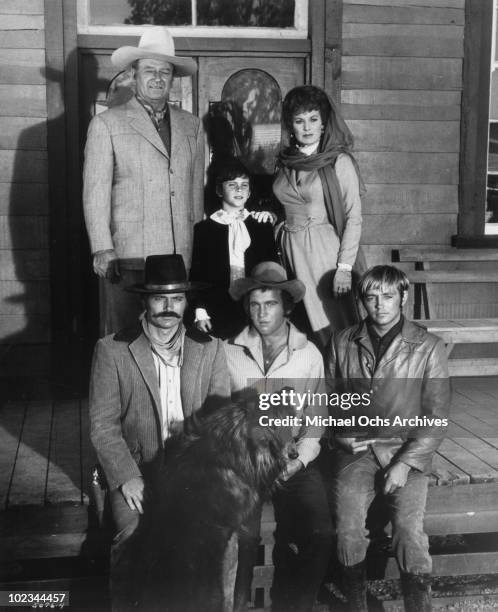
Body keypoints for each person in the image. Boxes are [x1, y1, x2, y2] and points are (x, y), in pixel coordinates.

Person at [88, 254, 230, 611]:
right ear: (144, 300)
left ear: (187, 301)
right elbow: (103, 426)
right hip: (139, 470)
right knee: (134, 534)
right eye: (159, 298)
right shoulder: (112, 350)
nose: (169, 307)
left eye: (177, 298)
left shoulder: (210, 349)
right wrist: (125, 477)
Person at [326, 265, 450, 612]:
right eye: (371, 297)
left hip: (407, 450)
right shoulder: (343, 342)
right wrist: (339, 438)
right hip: (357, 450)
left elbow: (437, 416)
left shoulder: (427, 346)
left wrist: (405, 464)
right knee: (349, 529)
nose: (380, 305)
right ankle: (356, 604)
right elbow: (330, 402)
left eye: (388, 296)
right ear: (362, 301)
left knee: (409, 532)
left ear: (403, 297)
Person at [225, 261, 333, 612]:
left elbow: (317, 418)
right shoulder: (227, 351)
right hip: (243, 464)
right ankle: (236, 606)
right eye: (255, 304)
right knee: (242, 535)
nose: (262, 312)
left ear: (287, 306)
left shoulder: (309, 354)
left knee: (318, 532)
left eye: (270, 303)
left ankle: (291, 605)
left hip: (292, 460)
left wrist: (299, 459)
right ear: (246, 307)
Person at [83, 27, 204, 335]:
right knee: (124, 338)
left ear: (173, 78)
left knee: (171, 339)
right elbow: (95, 192)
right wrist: (101, 247)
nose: (157, 78)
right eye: (149, 70)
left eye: (165, 72)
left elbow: (194, 195)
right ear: (133, 73)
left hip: (177, 257)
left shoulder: (191, 126)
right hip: (128, 255)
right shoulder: (106, 124)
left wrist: (196, 249)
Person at [273, 85, 366, 350]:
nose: (307, 127)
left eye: (313, 119)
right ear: (290, 125)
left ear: (323, 123)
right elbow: (284, 203)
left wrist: (344, 269)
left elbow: (353, 217)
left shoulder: (339, 162)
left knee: (334, 328)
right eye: (299, 120)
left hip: (324, 254)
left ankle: (345, 389)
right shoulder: (284, 162)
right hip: (290, 252)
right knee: (301, 328)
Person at [190, 158, 278, 338]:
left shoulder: (261, 225)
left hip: (255, 303)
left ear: (250, 191)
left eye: (244, 185)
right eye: (232, 185)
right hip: (219, 304)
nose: (239, 190)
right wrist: (200, 309)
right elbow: (198, 273)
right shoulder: (204, 229)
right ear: (218, 190)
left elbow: (272, 269)